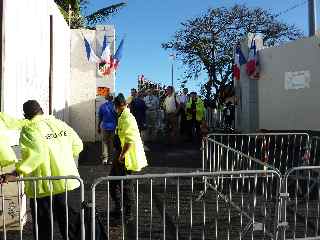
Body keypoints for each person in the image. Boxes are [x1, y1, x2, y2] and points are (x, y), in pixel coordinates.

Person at [0, 100, 83, 240]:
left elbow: (36, 156)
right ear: (42, 110)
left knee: (44, 230)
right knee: (73, 229)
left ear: (25, 115)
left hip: (44, 188)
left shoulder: (30, 129)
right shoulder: (60, 124)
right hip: (69, 183)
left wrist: (16, 173)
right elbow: (78, 146)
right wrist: (62, 159)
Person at [109, 94, 148, 220]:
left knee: (126, 186)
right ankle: (119, 207)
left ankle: (128, 212)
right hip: (119, 154)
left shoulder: (127, 118)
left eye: (115, 106)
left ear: (118, 106)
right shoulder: (122, 116)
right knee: (113, 182)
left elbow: (130, 140)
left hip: (124, 157)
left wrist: (122, 155)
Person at [98, 93, 117, 165]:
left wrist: (98, 126)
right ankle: (111, 160)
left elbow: (100, 117)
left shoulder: (102, 106)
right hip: (113, 126)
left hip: (105, 126)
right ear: (112, 98)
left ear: (106, 98)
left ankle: (105, 159)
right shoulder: (115, 106)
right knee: (111, 143)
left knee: (105, 142)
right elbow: (117, 117)